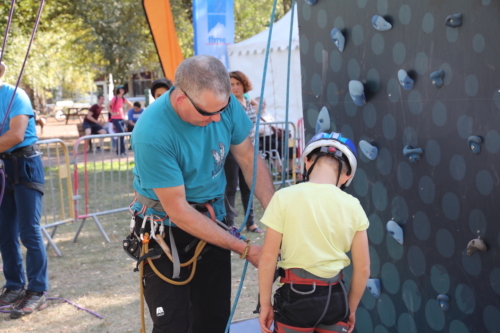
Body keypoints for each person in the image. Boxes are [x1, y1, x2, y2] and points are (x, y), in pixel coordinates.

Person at [130, 55, 275, 333]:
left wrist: (276, 212)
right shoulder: (152, 132)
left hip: (213, 218)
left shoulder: (223, 104)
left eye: (222, 108)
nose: (218, 117)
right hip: (165, 231)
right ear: (181, 98)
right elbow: (180, 211)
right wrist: (245, 249)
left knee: (214, 319)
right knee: (174, 325)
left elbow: (247, 159)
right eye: (208, 113)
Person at [258, 132, 370, 333]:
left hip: (296, 295)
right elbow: (363, 270)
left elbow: (268, 258)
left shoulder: (283, 198)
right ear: (347, 176)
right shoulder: (354, 206)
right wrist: (350, 309)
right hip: (335, 297)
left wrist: (265, 304)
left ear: (307, 162)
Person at [0, 57, 48, 319]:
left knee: (29, 230)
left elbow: (15, 135)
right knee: (5, 231)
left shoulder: (15, 94)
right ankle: (14, 285)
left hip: (25, 165)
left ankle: (38, 291)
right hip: (2, 168)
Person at [224, 70, 262, 232]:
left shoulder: (247, 99)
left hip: (250, 149)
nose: (235, 87)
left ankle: (251, 222)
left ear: (244, 84)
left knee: (248, 186)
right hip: (233, 150)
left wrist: (254, 104)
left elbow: (255, 117)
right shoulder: (228, 102)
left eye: (238, 83)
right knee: (231, 187)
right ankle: (229, 224)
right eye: (231, 84)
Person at [107, 85, 132, 155]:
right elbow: (107, 105)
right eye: (121, 89)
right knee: (121, 133)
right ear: (118, 90)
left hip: (122, 118)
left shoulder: (123, 99)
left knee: (122, 134)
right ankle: (121, 151)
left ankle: (121, 151)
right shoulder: (115, 98)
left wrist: (125, 111)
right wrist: (112, 113)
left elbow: (131, 105)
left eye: (123, 90)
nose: (122, 91)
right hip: (115, 119)